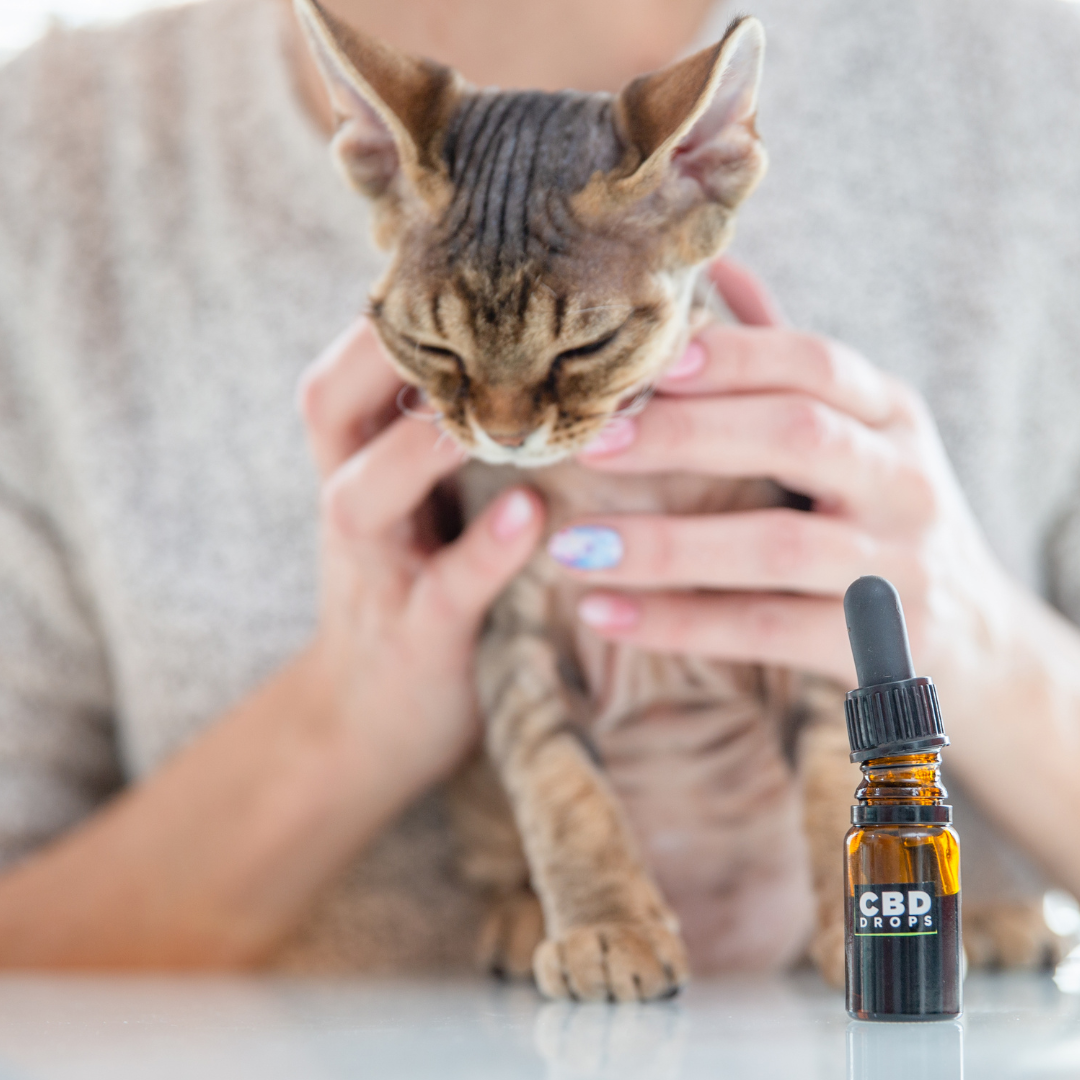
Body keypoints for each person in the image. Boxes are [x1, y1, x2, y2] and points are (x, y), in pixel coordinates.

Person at [0, 0, 1077, 970]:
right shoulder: (51, 152)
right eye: (449, 359)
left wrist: (985, 656)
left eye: (576, 359)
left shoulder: (1034, 74)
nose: (506, 427)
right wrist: (342, 727)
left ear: (704, 164)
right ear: (369, 149)